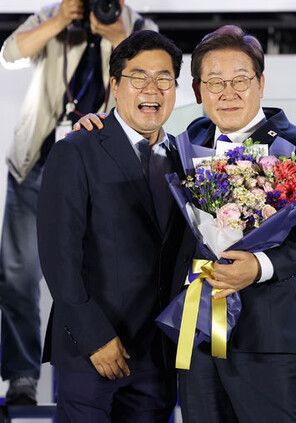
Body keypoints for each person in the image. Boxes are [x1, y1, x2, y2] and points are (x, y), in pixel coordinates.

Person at [166, 25, 296, 423]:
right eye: (215, 82)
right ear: (198, 91)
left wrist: (258, 267)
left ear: (260, 83)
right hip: (198, 339)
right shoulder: (185, 143)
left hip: (268, 341)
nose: (228, 93)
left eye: (240, 80)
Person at [0, 0, 157, 404]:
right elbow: (10, 53)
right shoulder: (55, 14)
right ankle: (22, 377)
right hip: (36, 161)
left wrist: (118, 37)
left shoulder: (137, 25)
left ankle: (114, 371)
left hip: (102, 168)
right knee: (18, 276)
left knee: (105, 271)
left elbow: (153, 79)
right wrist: (60, 20)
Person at [37, 30, 182, 422]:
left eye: (164, 78)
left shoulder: (185, 158)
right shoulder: (76, 150)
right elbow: (58, 257)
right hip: (93, 353)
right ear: (115, 85)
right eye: (138, 77)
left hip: (157, 358)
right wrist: (94, 338)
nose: (152, 89)